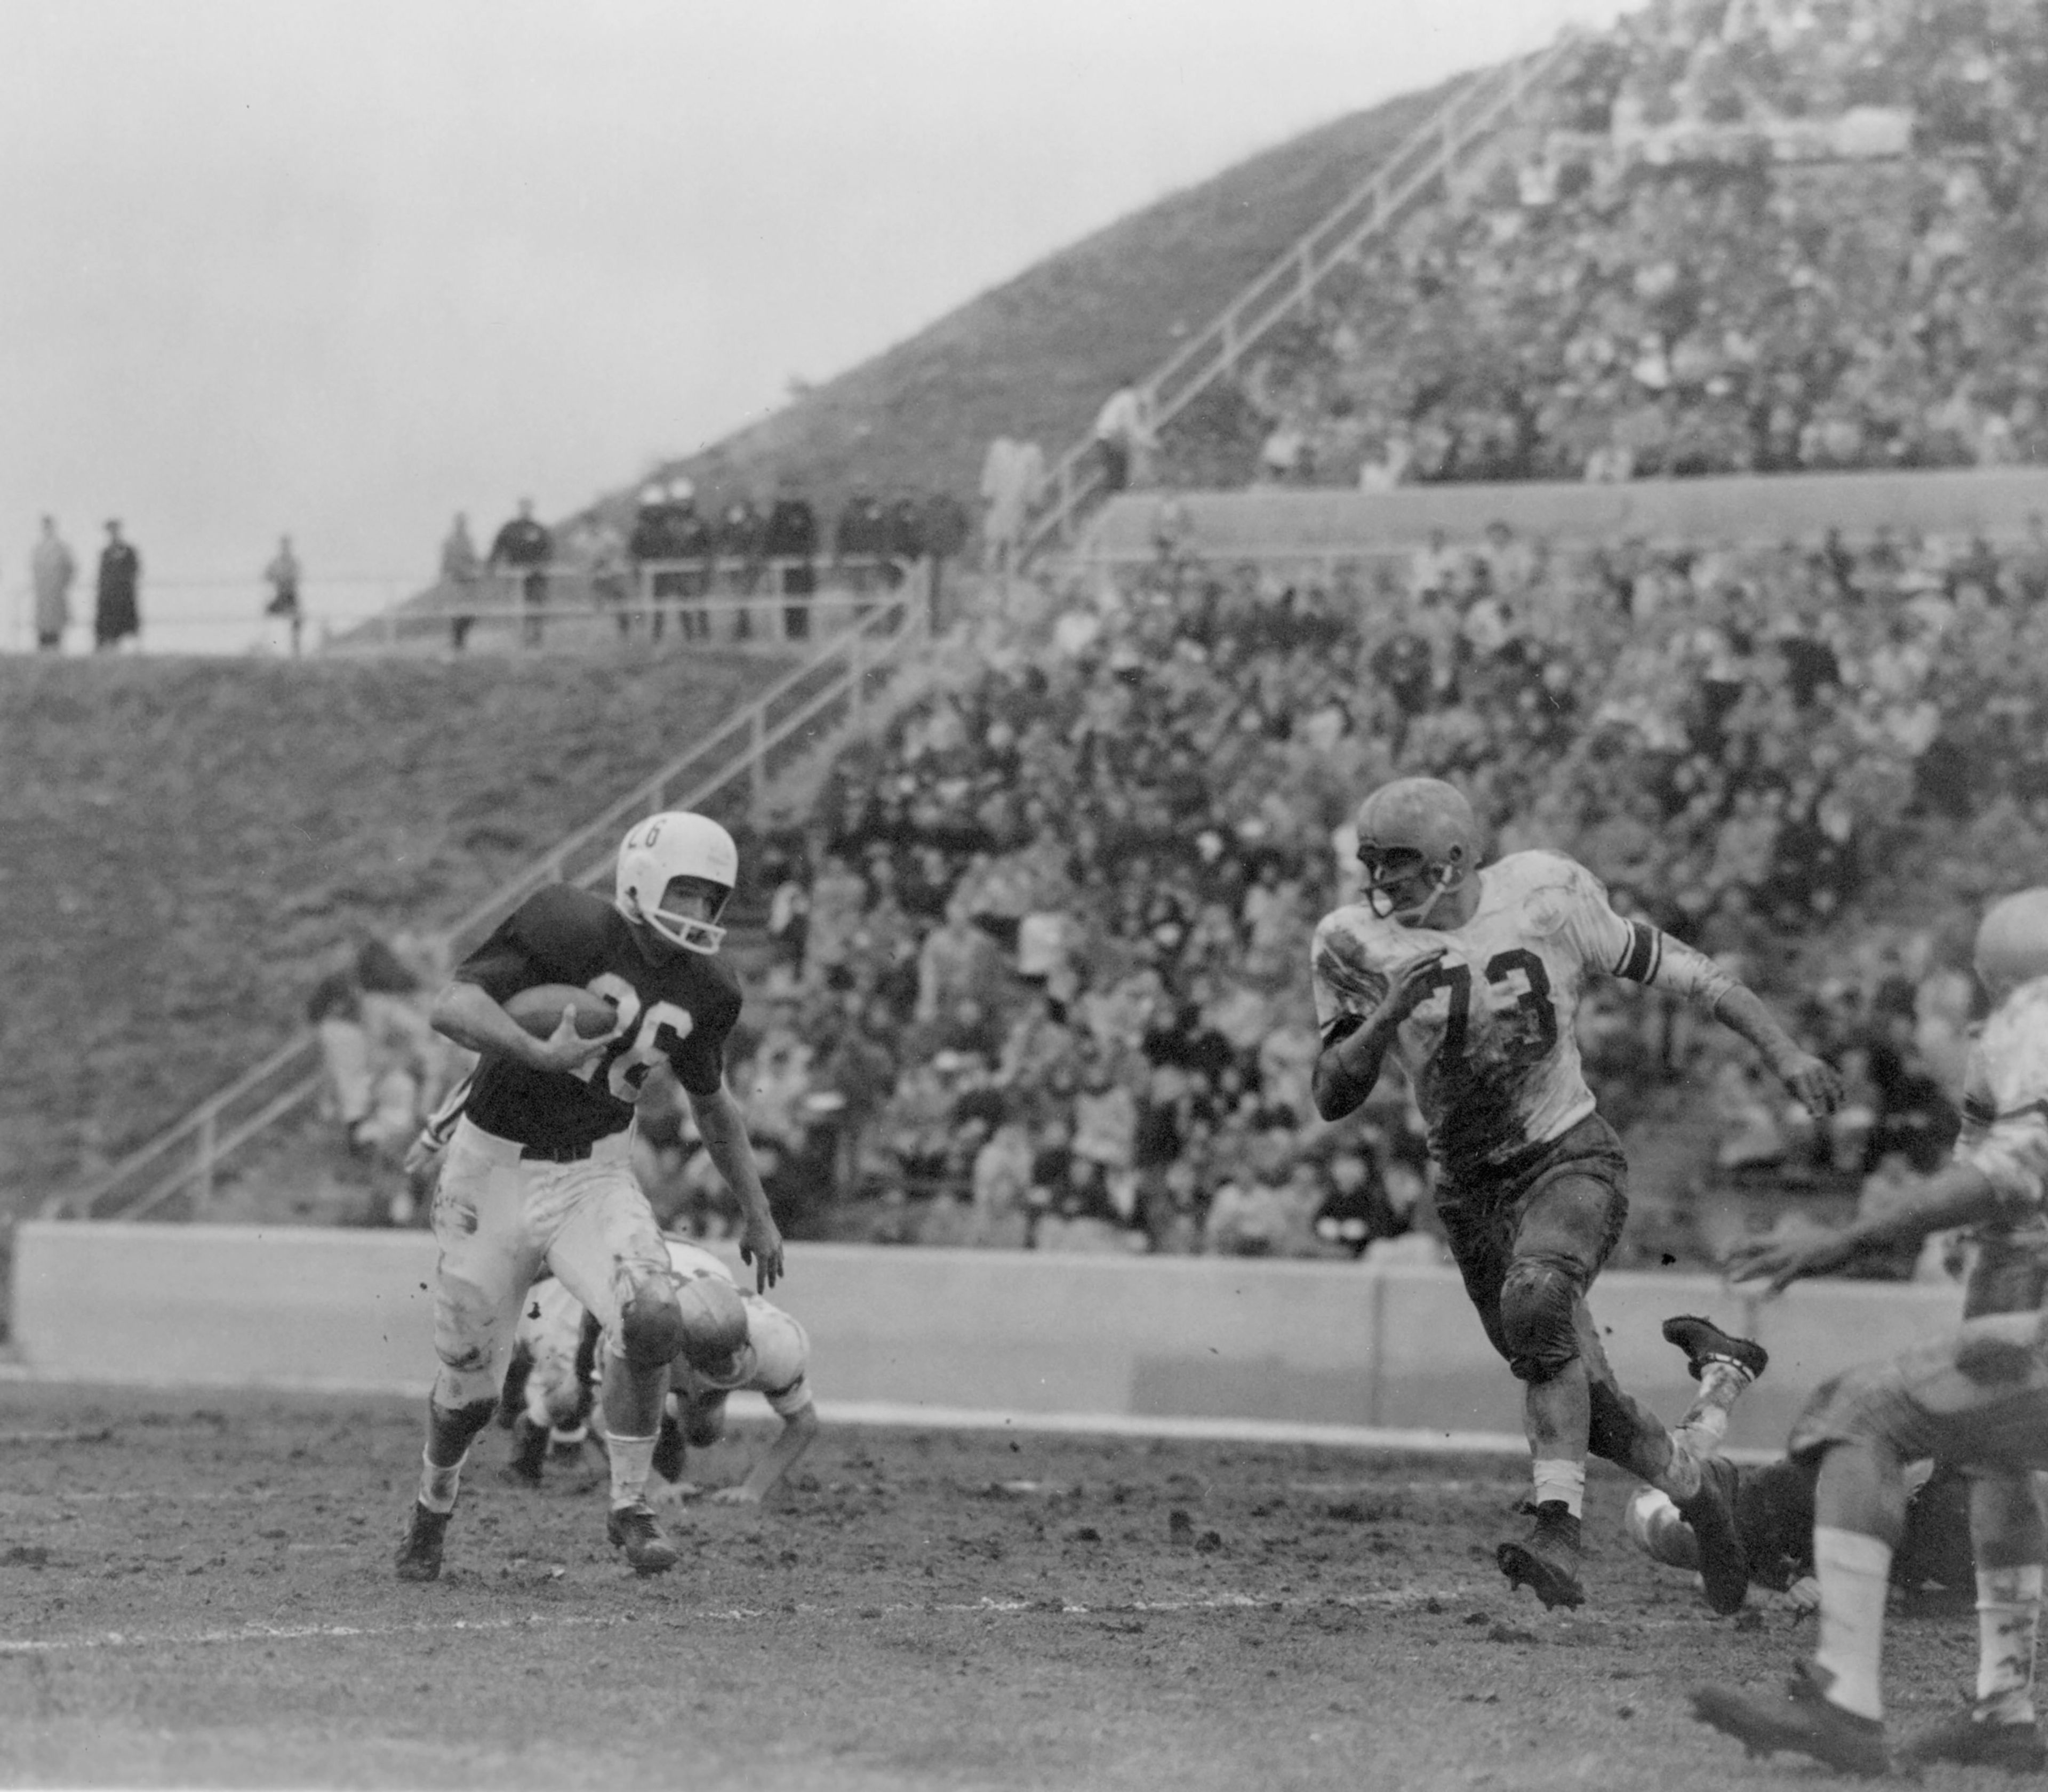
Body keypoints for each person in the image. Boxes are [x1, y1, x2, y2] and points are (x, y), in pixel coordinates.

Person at [1309, 776, 1843, 1613]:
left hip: (1568, 1155)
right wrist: (1383, 1019)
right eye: (1372, 863)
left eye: (1401, 863)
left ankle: (1556, 1526)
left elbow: (1688, 973)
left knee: (1537, 1298)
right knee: (1593, 1411)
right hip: (1471, 1190)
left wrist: (1784, 1053)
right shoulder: (1350, 942)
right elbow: (1331, 1095)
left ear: (1457, 859)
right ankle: (1706, 1481)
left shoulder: (1545, 896)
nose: (1384, 881)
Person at [393, 810, 785, 1583]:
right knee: (469, 1389)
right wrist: (539, 1050)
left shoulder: (709, 988)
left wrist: (758, 1210)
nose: (701, 916)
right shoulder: (565, 921)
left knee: (651, 1312)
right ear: (641, 881)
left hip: (595, 1174)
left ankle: (631, 1506)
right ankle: (432, 1508)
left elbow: (713, 1106)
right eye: (689, 894)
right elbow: (453, 1007)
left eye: (713, 900)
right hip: (491, 1171)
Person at [1691, 1307, 2048, 1775]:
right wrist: (1786, 1576)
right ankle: (2004, 1709)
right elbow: (1726, 1563)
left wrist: (1853, 1237)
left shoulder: (1948, 1510)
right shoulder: (1789, 1487)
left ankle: (1847, 1702)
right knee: (1996, 1454)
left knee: (1861, 1410)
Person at [503, 1236, 818, 1507]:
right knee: (578, 1392)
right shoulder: (641, 1334)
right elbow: (604, 1419)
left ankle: (667, 1422)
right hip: (627, 1268)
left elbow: (804, 1422)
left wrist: (753, 1489)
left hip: (693, 1264)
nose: (730, 1371)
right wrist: (654, 1487)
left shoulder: (778, 1341)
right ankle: (533, 1420)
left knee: (702, 1431)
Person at [489, 499, 552, 650]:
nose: (526, 510)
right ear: (519, 509)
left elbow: (548, 549)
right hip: (516, 576)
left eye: (528, 508)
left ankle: (536, 639)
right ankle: (521, 640)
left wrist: (540, 565)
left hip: (536, 577)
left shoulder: (539, 528)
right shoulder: (511, 528)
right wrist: (491, 565)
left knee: (536, 607)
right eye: (523, 508)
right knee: (518, 607)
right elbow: (498, 546)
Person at [1091, 377, 1156, 494]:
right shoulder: (1129, 399)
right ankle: (1117, 496)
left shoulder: (1120, 397)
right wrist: (1148, 442)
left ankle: (1114, 495)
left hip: (1106, 435)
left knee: (1115, 471)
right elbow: (1131, 425)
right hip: (1112, 437)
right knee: (1119, 471)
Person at [94, 519, 140, 652]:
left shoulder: (129, 552)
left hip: (124, 596)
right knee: (109, 629)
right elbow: (102, 577)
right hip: (109, 598)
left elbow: (135, 571)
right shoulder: (105, 553)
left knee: (126, 628)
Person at [30, 515, 73, 652]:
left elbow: (70, 568)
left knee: (56, 627)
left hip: (56, 593)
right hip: (42, 594)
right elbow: (34, 570)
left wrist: (62, 583)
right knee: (42, 627)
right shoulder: (38, 549)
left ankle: (56, 649)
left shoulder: (61, 548)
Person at [263, 534, 303, 658]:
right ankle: (266, 647)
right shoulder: (276, 562)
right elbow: (267, 575)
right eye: (284, 545)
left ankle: (295, 651)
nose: (285, 548)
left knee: (298, 619)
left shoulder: (293, 562)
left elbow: (297, 576)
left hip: (291, 597)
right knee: (266, 613)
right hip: (280, 597)